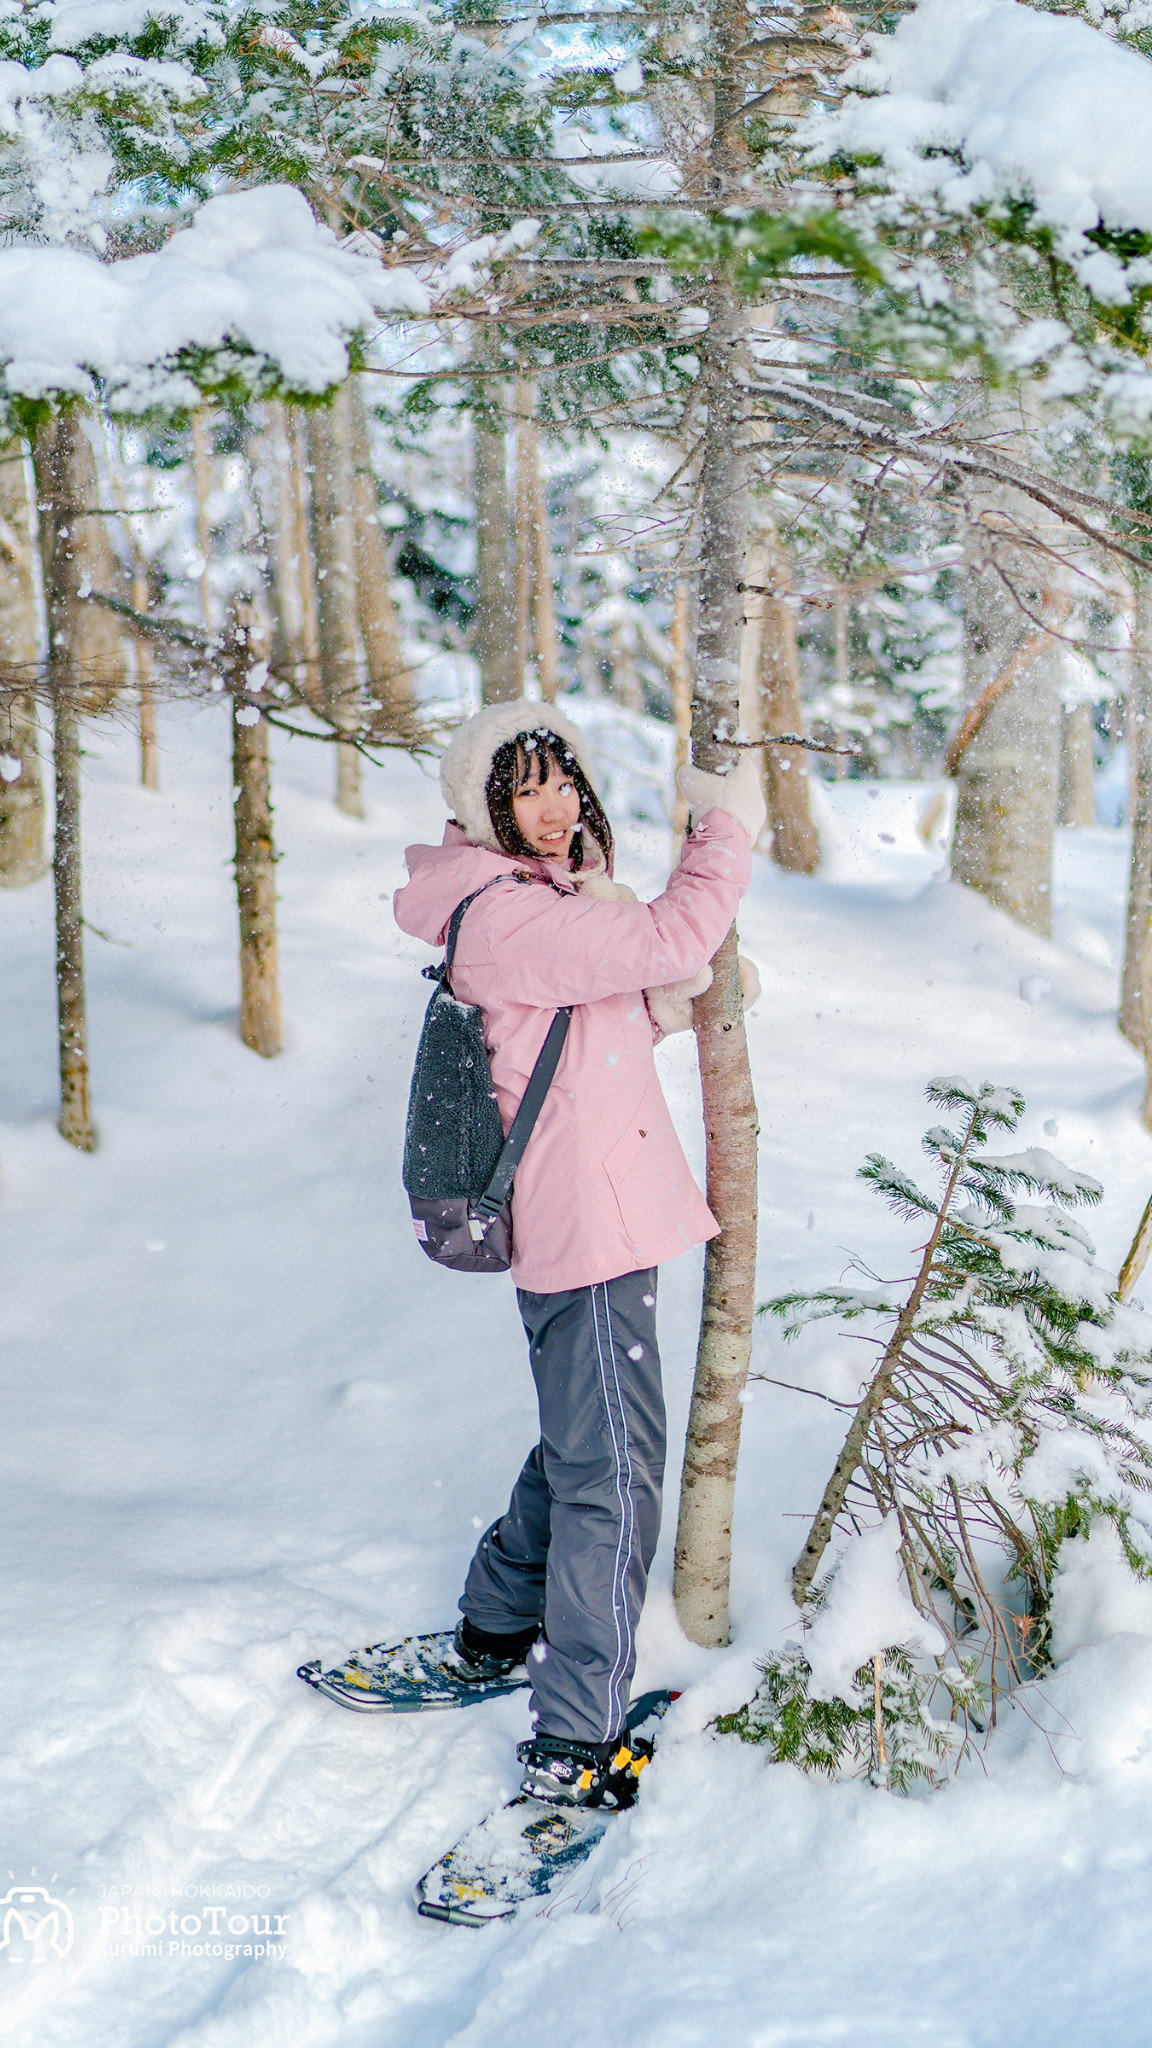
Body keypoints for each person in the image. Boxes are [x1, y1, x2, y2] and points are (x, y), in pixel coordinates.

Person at [393, 699, 764, 1805]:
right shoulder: (508, 915)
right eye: (525, 788)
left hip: (599, 1212)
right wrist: (724, 830)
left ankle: (497, 1622)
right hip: (586, 1226)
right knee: (616, 1476)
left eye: (563, 782)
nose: (552, 809)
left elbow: (593, 1028)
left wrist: (676, 1000)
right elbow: (670, 932)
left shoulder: (533, 905)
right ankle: (575, 1735)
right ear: (486, 806)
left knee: (584, 1436)